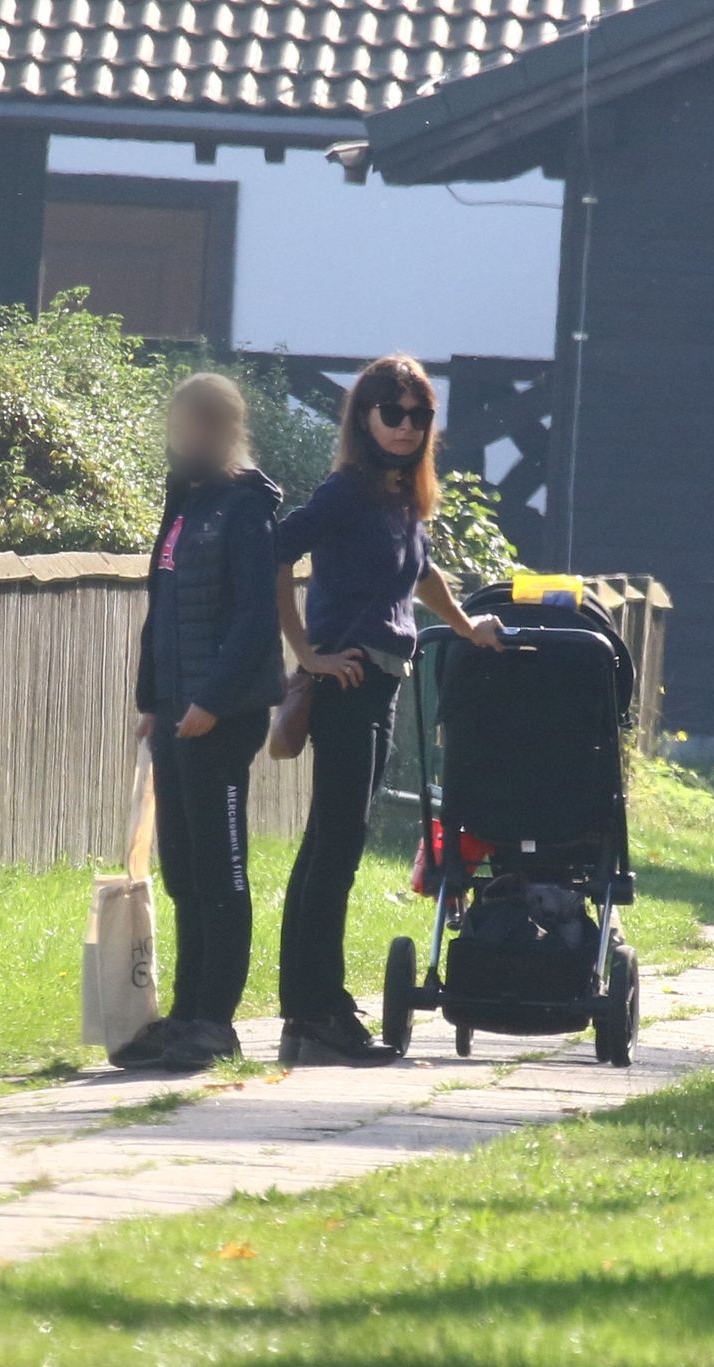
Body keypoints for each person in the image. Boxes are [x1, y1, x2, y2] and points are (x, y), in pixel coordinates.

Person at [272, 355, 505, 1066]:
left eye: (418, 416)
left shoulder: (400, 496)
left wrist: (467, 627)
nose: (405, 428)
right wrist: (306, 653)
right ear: (364, 417)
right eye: (392, 413)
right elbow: (275, 552)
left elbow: (421, 571)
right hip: (346, 683)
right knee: (333, 855)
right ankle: (318, 1016)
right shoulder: (346, 490)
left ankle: (309, 1016)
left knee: (326, 849)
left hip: (379, 682)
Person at [114, 373, 285, 1073]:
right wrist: (152, 702)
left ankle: (216, 1021)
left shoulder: (246, 509)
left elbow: (253, 618)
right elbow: (161, 605)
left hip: (223, 715)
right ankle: (184, 1014)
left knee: (221, 870)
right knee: (183, 872)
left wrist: (210, 701)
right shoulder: (184, 502)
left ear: (225, 431)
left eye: (199, 427)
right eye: (179, 426)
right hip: (177, 715)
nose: (185, 439)